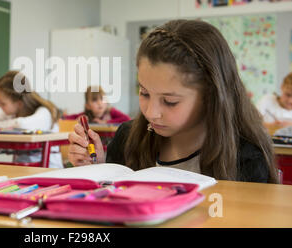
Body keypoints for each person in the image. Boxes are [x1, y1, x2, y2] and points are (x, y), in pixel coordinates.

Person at [68, 19, 279, 183]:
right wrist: (97, 169)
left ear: (211, 96)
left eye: (170, 101)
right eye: (144, 93)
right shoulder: (127, 138)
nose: (151, 113)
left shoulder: (246, 156)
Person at [0, 70, 64, 168]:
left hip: (49, 170)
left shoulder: (44, 112)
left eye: (2, 103)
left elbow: (22, 125)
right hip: (25, 169)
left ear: (19, 104)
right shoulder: (12, 113)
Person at [63, 85, 131, 124]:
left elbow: (127, 119)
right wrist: (76, 121)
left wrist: (105, 122)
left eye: (102, 99)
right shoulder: (85, 115)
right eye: (94, 100)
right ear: (88, 106)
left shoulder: (111, 112)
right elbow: (64, 118)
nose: (99, 103)